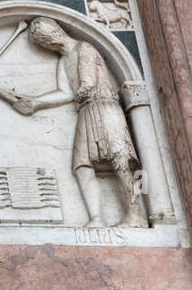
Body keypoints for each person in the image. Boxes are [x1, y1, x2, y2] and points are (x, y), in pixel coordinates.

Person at [10, 17, 147, 228]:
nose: (46, 45)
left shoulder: (85, 48)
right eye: (41, 44)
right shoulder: (64, 60)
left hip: (105, 106)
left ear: (53, 34)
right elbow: (66, 92)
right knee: (81, 164)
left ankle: (136, 214)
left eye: (44, 40)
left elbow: (88, 84)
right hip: (85, 111)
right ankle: (96, 218)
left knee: (122, 159)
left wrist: (80, 92)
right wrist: (36, 102)